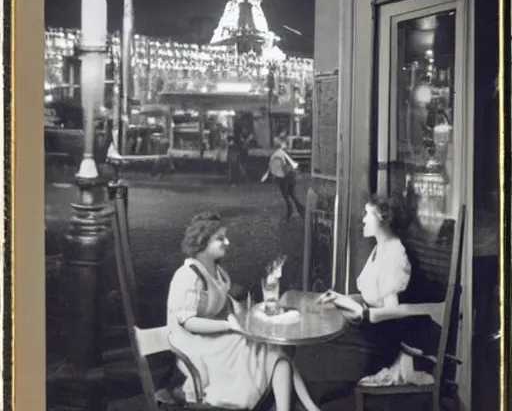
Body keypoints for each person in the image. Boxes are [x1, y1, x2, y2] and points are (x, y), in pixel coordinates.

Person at [293, 194, 440, 404]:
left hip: (379, 345)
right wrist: (341, 298)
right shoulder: (380, 249)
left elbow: (392, 309)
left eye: (367, 214)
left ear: (382, 218)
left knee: (309, 358)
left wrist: (362, 312)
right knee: (307, 350)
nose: (363, 219)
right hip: (367, 334)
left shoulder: (396, 256)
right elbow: (372, 295)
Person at [166, 212, 320, 411]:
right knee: (267, 349)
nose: (227, 242)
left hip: (214, 337)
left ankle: (306, 407)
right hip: (194, 344)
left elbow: (227, 303)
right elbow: (188, 323)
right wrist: (228, 325)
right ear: (201, 242)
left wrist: (254, 312)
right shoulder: (187, 275)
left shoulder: (216, 271)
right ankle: (309, 407)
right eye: (220, 238)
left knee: (273, 349)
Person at [261, 139, 305, 220]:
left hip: (285, 178)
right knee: (292, 194)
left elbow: (282, 167)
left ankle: (293, 210)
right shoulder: (285, 153)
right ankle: (300, 210)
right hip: (290, 177)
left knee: (286, 195)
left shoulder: (280, 154)